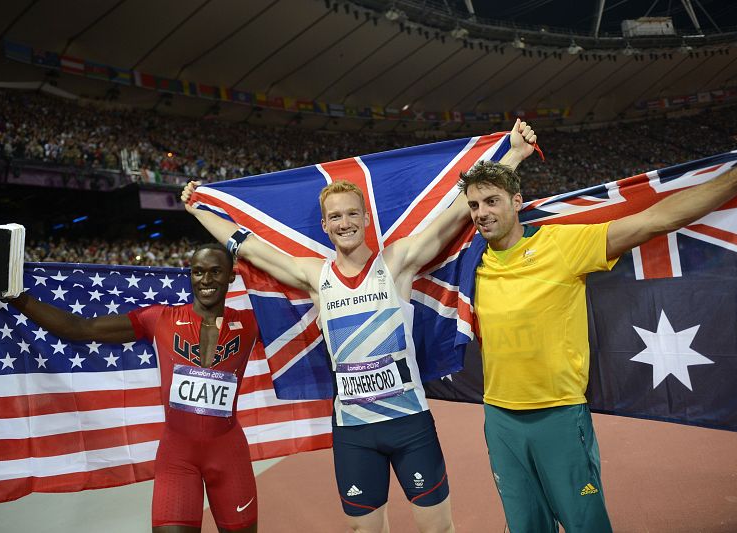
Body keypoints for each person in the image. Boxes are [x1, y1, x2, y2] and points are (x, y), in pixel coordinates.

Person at [182, 120, 538, 533]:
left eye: (352, 214)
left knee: (438, 529)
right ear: (325, 225)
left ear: (366, 219)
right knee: (364, 531)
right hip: (354, 432)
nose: (344, 222)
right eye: (335, 217)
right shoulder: (316, 276)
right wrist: (198, 208)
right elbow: (248, 247)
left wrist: (511, 154)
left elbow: (453, 215)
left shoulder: (396, 262)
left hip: (410, 424)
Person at [458, 155, 737, 533]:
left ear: (517, 202)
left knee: (587, 526)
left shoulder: (562, 244)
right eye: (473, 205)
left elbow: (656, 221)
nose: (481, 213)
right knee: (524, 527)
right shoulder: (471, 263)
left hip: (559, 414)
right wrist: (513, 151)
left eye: (492, 201)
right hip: (499, 418)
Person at [0, 243, 259, 533]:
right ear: (190, 275)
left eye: (215, 272)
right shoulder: (161, 319)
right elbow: (79, 329)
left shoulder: (250, 323)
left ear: (231, 276)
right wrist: (14, 296)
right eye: (198, 272)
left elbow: (299, 306)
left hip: (229, 453)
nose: (206, 280)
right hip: (178, 457)